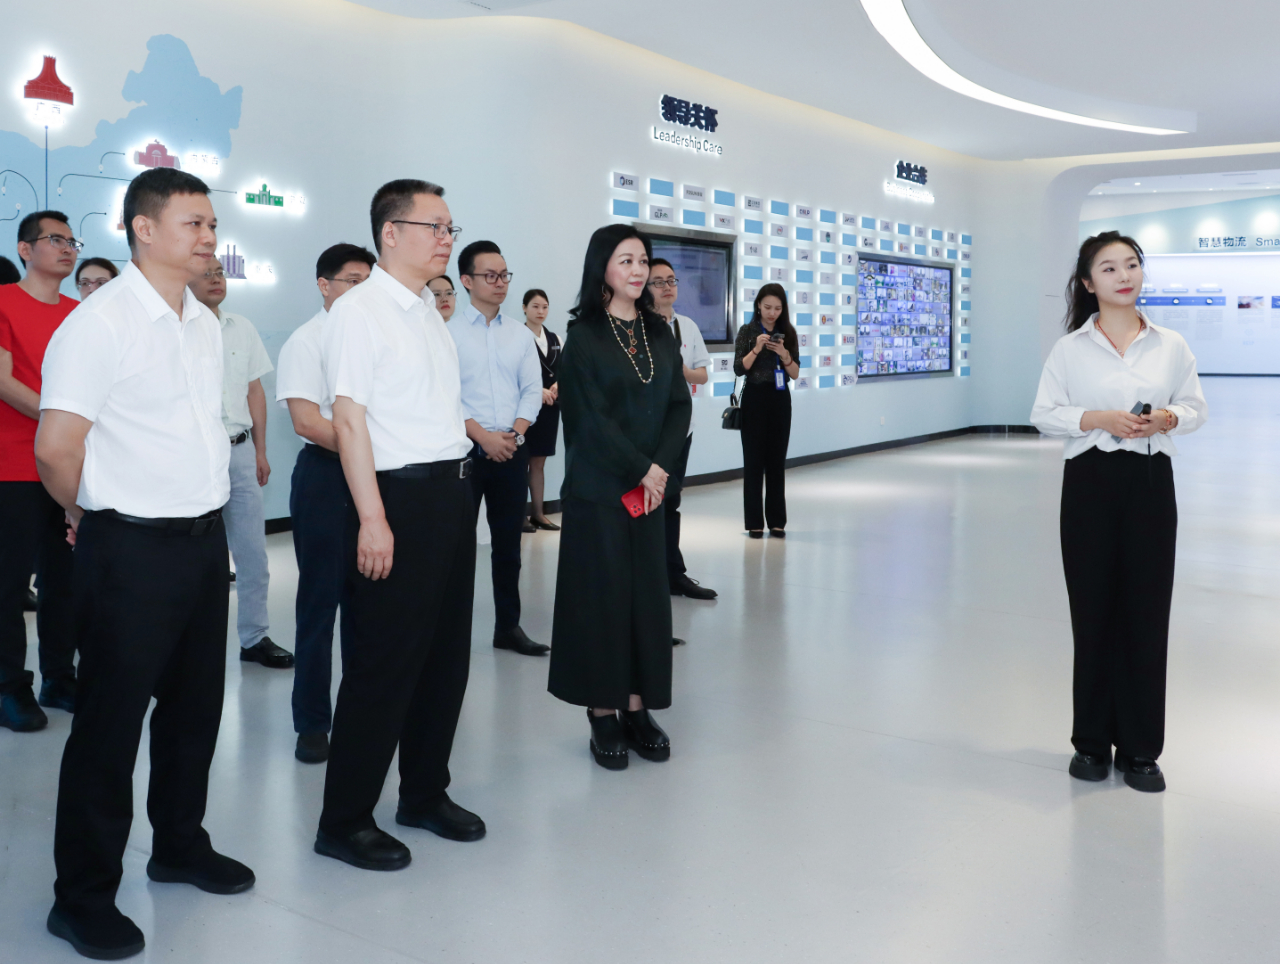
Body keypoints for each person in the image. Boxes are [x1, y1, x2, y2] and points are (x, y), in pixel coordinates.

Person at [37, 167, 254, 961]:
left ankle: (179, 845)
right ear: (144, 229)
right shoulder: (100, 323)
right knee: (110, 724)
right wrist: (87, 514)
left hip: (200, 542)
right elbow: (56, 447)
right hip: (128, 548)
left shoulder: (200, 320)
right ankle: (81, 897)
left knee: (195, 710)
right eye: (194, 223)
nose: (209, 237)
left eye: (212, 224)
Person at [315, 178, 482, 871]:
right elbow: (349, 422)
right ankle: (344, 819)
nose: (447, 239)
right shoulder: (360, 312)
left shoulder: (426, 312)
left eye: (450, 228)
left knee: (444, 658)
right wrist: (373, 519)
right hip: (397, 500)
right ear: (391, 233)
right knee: (383, 664)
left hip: (450, 496)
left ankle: (423, 793)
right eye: (434, 227)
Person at [1031, 230, 1207, 794]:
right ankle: (1090, 742)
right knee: (1093, 611)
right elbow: (1044, 413)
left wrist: (1168, 418)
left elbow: (1195, 406)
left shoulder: (1170, 344)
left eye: (1131, 264)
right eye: (1109, 268)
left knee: (1147, 613)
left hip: (1151, 481)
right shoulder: (1070, 349)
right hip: (1089, 481)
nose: (1124, 275)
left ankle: (1140, 749)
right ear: (1088, 283)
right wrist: (1097, 418)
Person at [547, 224, 691, 770]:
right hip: (600, 491)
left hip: (649, 492)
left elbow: (678, 405)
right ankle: (602, 710)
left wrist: (659, 470)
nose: (637, 270)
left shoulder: (659, 332)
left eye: (643, 260)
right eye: (625, 260)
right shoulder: (583, 336)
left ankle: (637, 705)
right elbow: (590, 421)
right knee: (602, 601)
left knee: (645, 601)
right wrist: (642, 469)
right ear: (602, 268)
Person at [277, 242, 375, 763]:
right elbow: (307, 421)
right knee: (320, 604)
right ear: (324, 285)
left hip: (378, 477)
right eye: (353, 282)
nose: (363, 292)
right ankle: (313, 722)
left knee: (368, 605)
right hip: (327, 479)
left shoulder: (374, 336)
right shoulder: (306, 341)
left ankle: (361, 716)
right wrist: (372, 450)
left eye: (368, 283)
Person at [189, 261, 294, 669]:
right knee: (198, 558)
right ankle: (194, 643)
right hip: (195, 454)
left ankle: (254, 637)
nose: (216, 278)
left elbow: (255, 392)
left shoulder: (242, 327)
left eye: (220, 271)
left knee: (253, 553)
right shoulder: (179, 328)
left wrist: (260, 451)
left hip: (240, 450)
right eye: (206, 273)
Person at [0, 210, 80, 731]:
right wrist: (59, 418)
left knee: (65, 582)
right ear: (25, 249)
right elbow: (3, 381)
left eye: (72, 241)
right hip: (13, 464)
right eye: (55, 239)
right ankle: (9, 687)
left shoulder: (80, 314)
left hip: (69, 465)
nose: (67, 248)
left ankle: (59, 678)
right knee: (9, 585)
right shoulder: (3, 301)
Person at [451, 241, 547, 657]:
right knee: (458, 548)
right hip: (464, 454)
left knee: (509, 545)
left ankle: (508, 627)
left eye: (504, 275)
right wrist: (483, 437)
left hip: (511, 449)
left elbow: (531, 391)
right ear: (467, 280)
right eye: (490, 275)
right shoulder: (447, 334)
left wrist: (514, 436)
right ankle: (451, 633)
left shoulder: (520, 335)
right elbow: (446, 398)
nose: (500, 283)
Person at [648, 258, 717, 602]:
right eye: (659, 282)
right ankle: (647, 574)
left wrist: (681, 370)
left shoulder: (687, 326)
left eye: (671, 280)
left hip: (680, 429)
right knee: (647, 503)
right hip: (647, 431)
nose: (667, 287)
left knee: (671, 500)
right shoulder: (638, 326)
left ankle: (673, 574)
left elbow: (702, 374)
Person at [733, 283, 799, 538]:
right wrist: (756, 348)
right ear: (758, 305)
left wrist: (784, 354)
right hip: (754, 398)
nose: (772, 313)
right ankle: (754, 523)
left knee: (776, 462)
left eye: (777, 308)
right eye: (768, 307)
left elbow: (795, 373)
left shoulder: (788, 333)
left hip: (780, 399)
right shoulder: (747, 331)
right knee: (753, 461)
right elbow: (739, 368)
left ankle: (777, 521)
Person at [521, 288, 561, 532]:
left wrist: (559, 384)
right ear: (524, 308)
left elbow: (565, 369)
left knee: (538, 463)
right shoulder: (517, 336)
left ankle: (538, 514)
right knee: (520, 463)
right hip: (524, 410)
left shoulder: (555, 338)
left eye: (544, 307)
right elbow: (512, 375)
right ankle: (519, 516)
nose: (540, 311)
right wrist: (537, 390)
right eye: (535, 306)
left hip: (549, 409)